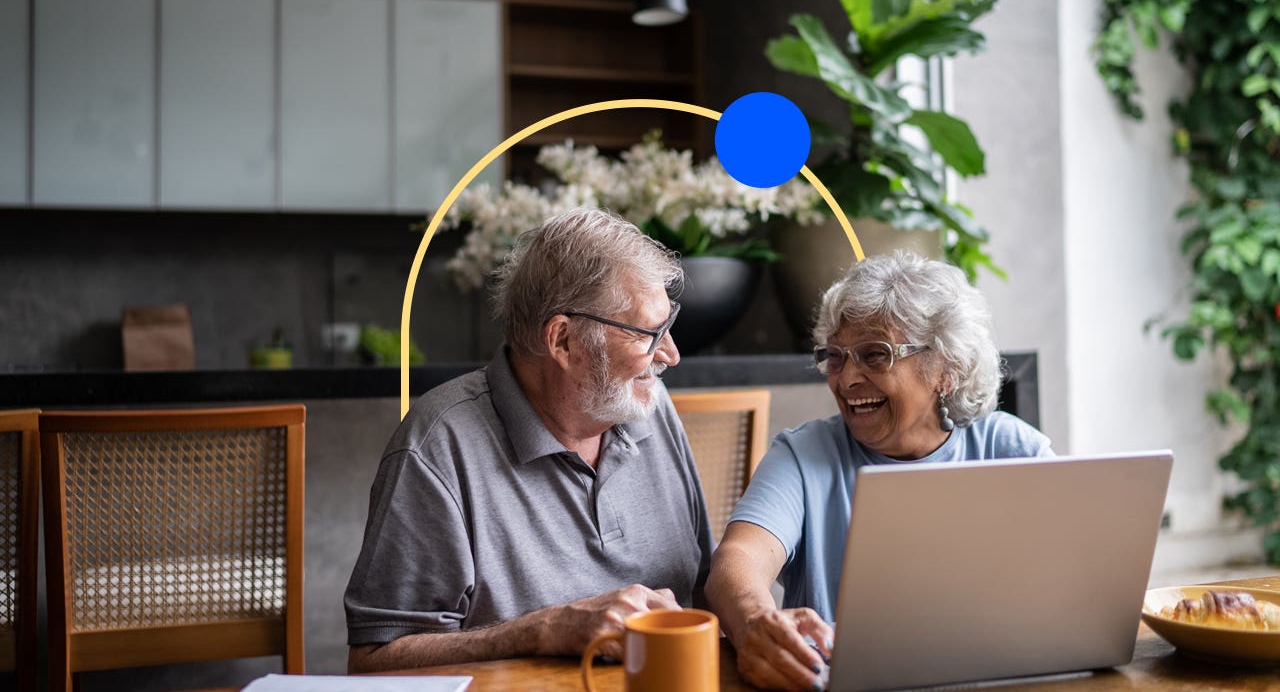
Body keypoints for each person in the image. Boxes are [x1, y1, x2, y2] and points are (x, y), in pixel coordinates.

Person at [344, 209, 713, 672]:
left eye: (669, 323)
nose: (671, 355)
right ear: (563, 341)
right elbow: (373, 661)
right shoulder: (438, 446)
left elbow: (703, 589)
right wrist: (541, 630)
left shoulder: (652, 409)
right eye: (649, 333)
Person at [706, 251, 1054, 691]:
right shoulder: (804, 456)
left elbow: (1076, 575)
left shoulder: (1013, 450)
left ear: (946, 369)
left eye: (874, 355)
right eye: (835, 357)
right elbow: (737, 561)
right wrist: (755, 620)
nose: (846, 379)